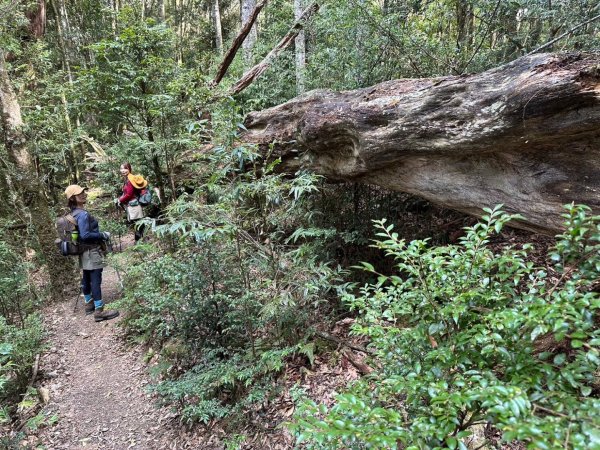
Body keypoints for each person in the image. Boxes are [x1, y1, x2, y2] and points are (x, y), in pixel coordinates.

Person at [65, 184, 120, 322]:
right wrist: (103, 234)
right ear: (72, 198)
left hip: (83, 252)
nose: (83, 194)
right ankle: (99, 311)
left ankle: (89, 304)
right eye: (79, 194)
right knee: (96, 278)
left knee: (86, 277)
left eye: (83, 192)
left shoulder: (73, 214)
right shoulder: (82, 214)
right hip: (91, 250)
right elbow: (85, 235)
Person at [115, 162, 148, 243]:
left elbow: (129, 194)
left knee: (138, 224)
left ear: (129, 169)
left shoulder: (130, 180)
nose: (123, 170)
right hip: (133, 205)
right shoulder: (127, 179)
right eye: (121, 168)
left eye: (125, 168)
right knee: (138, 224)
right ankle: (140, 241)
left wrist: (120, 200)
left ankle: (139, 242)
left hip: (134, 205)